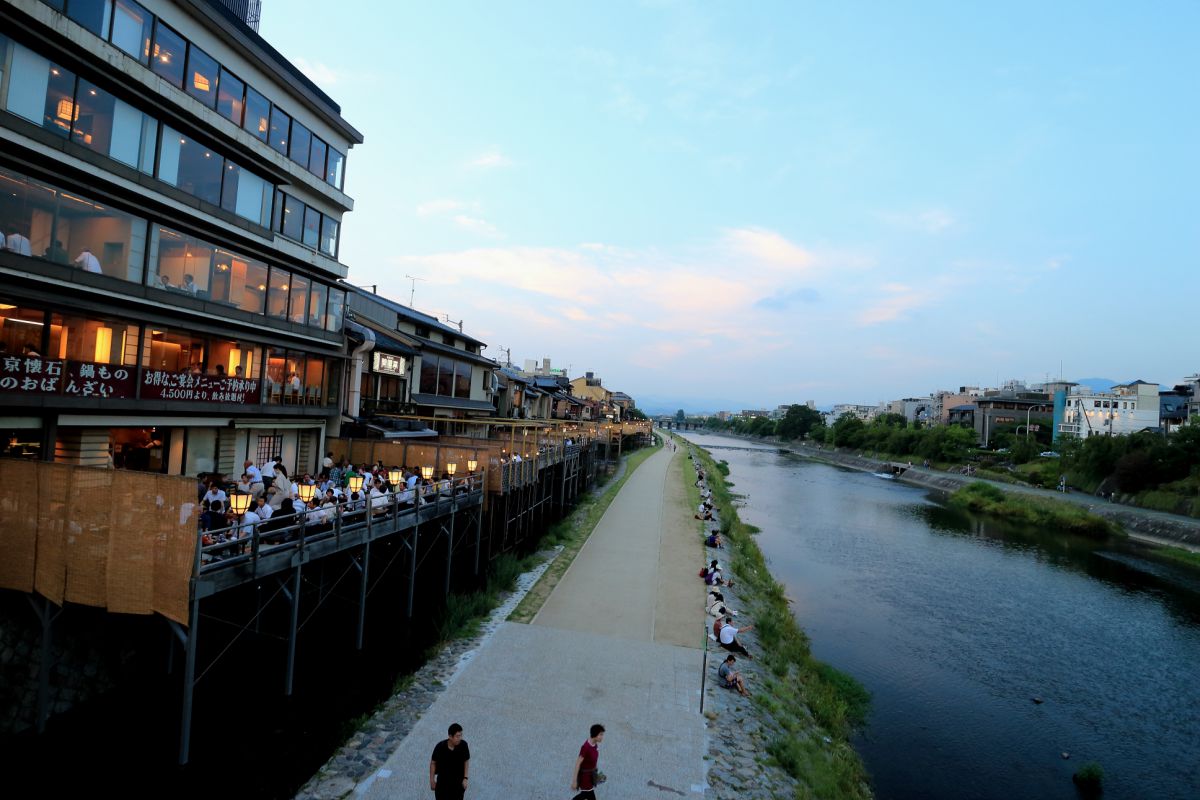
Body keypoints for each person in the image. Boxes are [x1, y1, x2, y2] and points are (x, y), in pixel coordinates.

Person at [429, 722, 470, 799]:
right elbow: (433, 763)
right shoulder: (440, 747)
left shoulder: (464, 745)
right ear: (450, 736)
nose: (460, 738)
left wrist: (465, 778)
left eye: (461, 735)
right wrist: (432, 781)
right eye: (457, 736)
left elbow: (466, 761)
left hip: (458, 785)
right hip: (442, 785)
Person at [571, 723, 605, 799]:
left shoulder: (595, 744)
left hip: (591, 775)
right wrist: (574, 781)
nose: (602, 737)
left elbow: (593, 760)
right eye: (601, 735)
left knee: (586, 795)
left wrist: (596, 772)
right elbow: (577, 763)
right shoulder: (585, 747)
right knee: (588, 795)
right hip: (585, 777)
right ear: (595, 735)